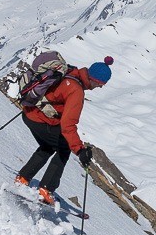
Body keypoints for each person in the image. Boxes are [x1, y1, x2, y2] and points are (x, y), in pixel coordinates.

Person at [14, 57, 112, 204]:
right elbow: (68, 125)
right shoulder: (76, 91)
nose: (100, 87)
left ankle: (23, 178)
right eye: (100, 84)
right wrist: (80, 150)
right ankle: (46, 189)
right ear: (95, 80)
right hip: (40, 119)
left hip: (29, 113)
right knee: (64, 147)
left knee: (48, 146)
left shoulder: (70, 72)